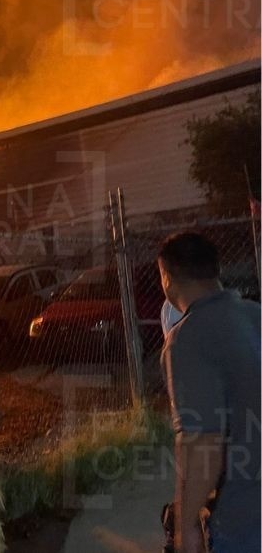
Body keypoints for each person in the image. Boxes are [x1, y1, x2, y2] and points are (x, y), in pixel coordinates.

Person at [158, 232, 261, 552]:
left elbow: (202, 444)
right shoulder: (256, 314)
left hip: (245, 522)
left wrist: (185, 523)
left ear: (166, 277)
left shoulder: (185, 339)